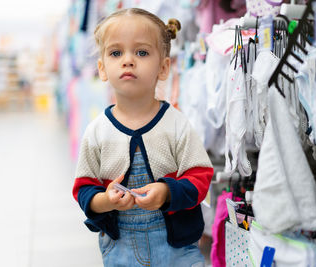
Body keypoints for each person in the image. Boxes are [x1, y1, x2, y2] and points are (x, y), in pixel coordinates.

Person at [72, 8, 214, 267]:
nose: (128, 60)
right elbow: (83, 189)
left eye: (142, 52)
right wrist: (105, 200)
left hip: (178, 250)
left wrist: (167, 192)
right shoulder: (97, 131)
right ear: (102, 69)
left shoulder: (176, 124)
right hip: (121, 250)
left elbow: (201, 178)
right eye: (116, 53)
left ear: (163, 67)